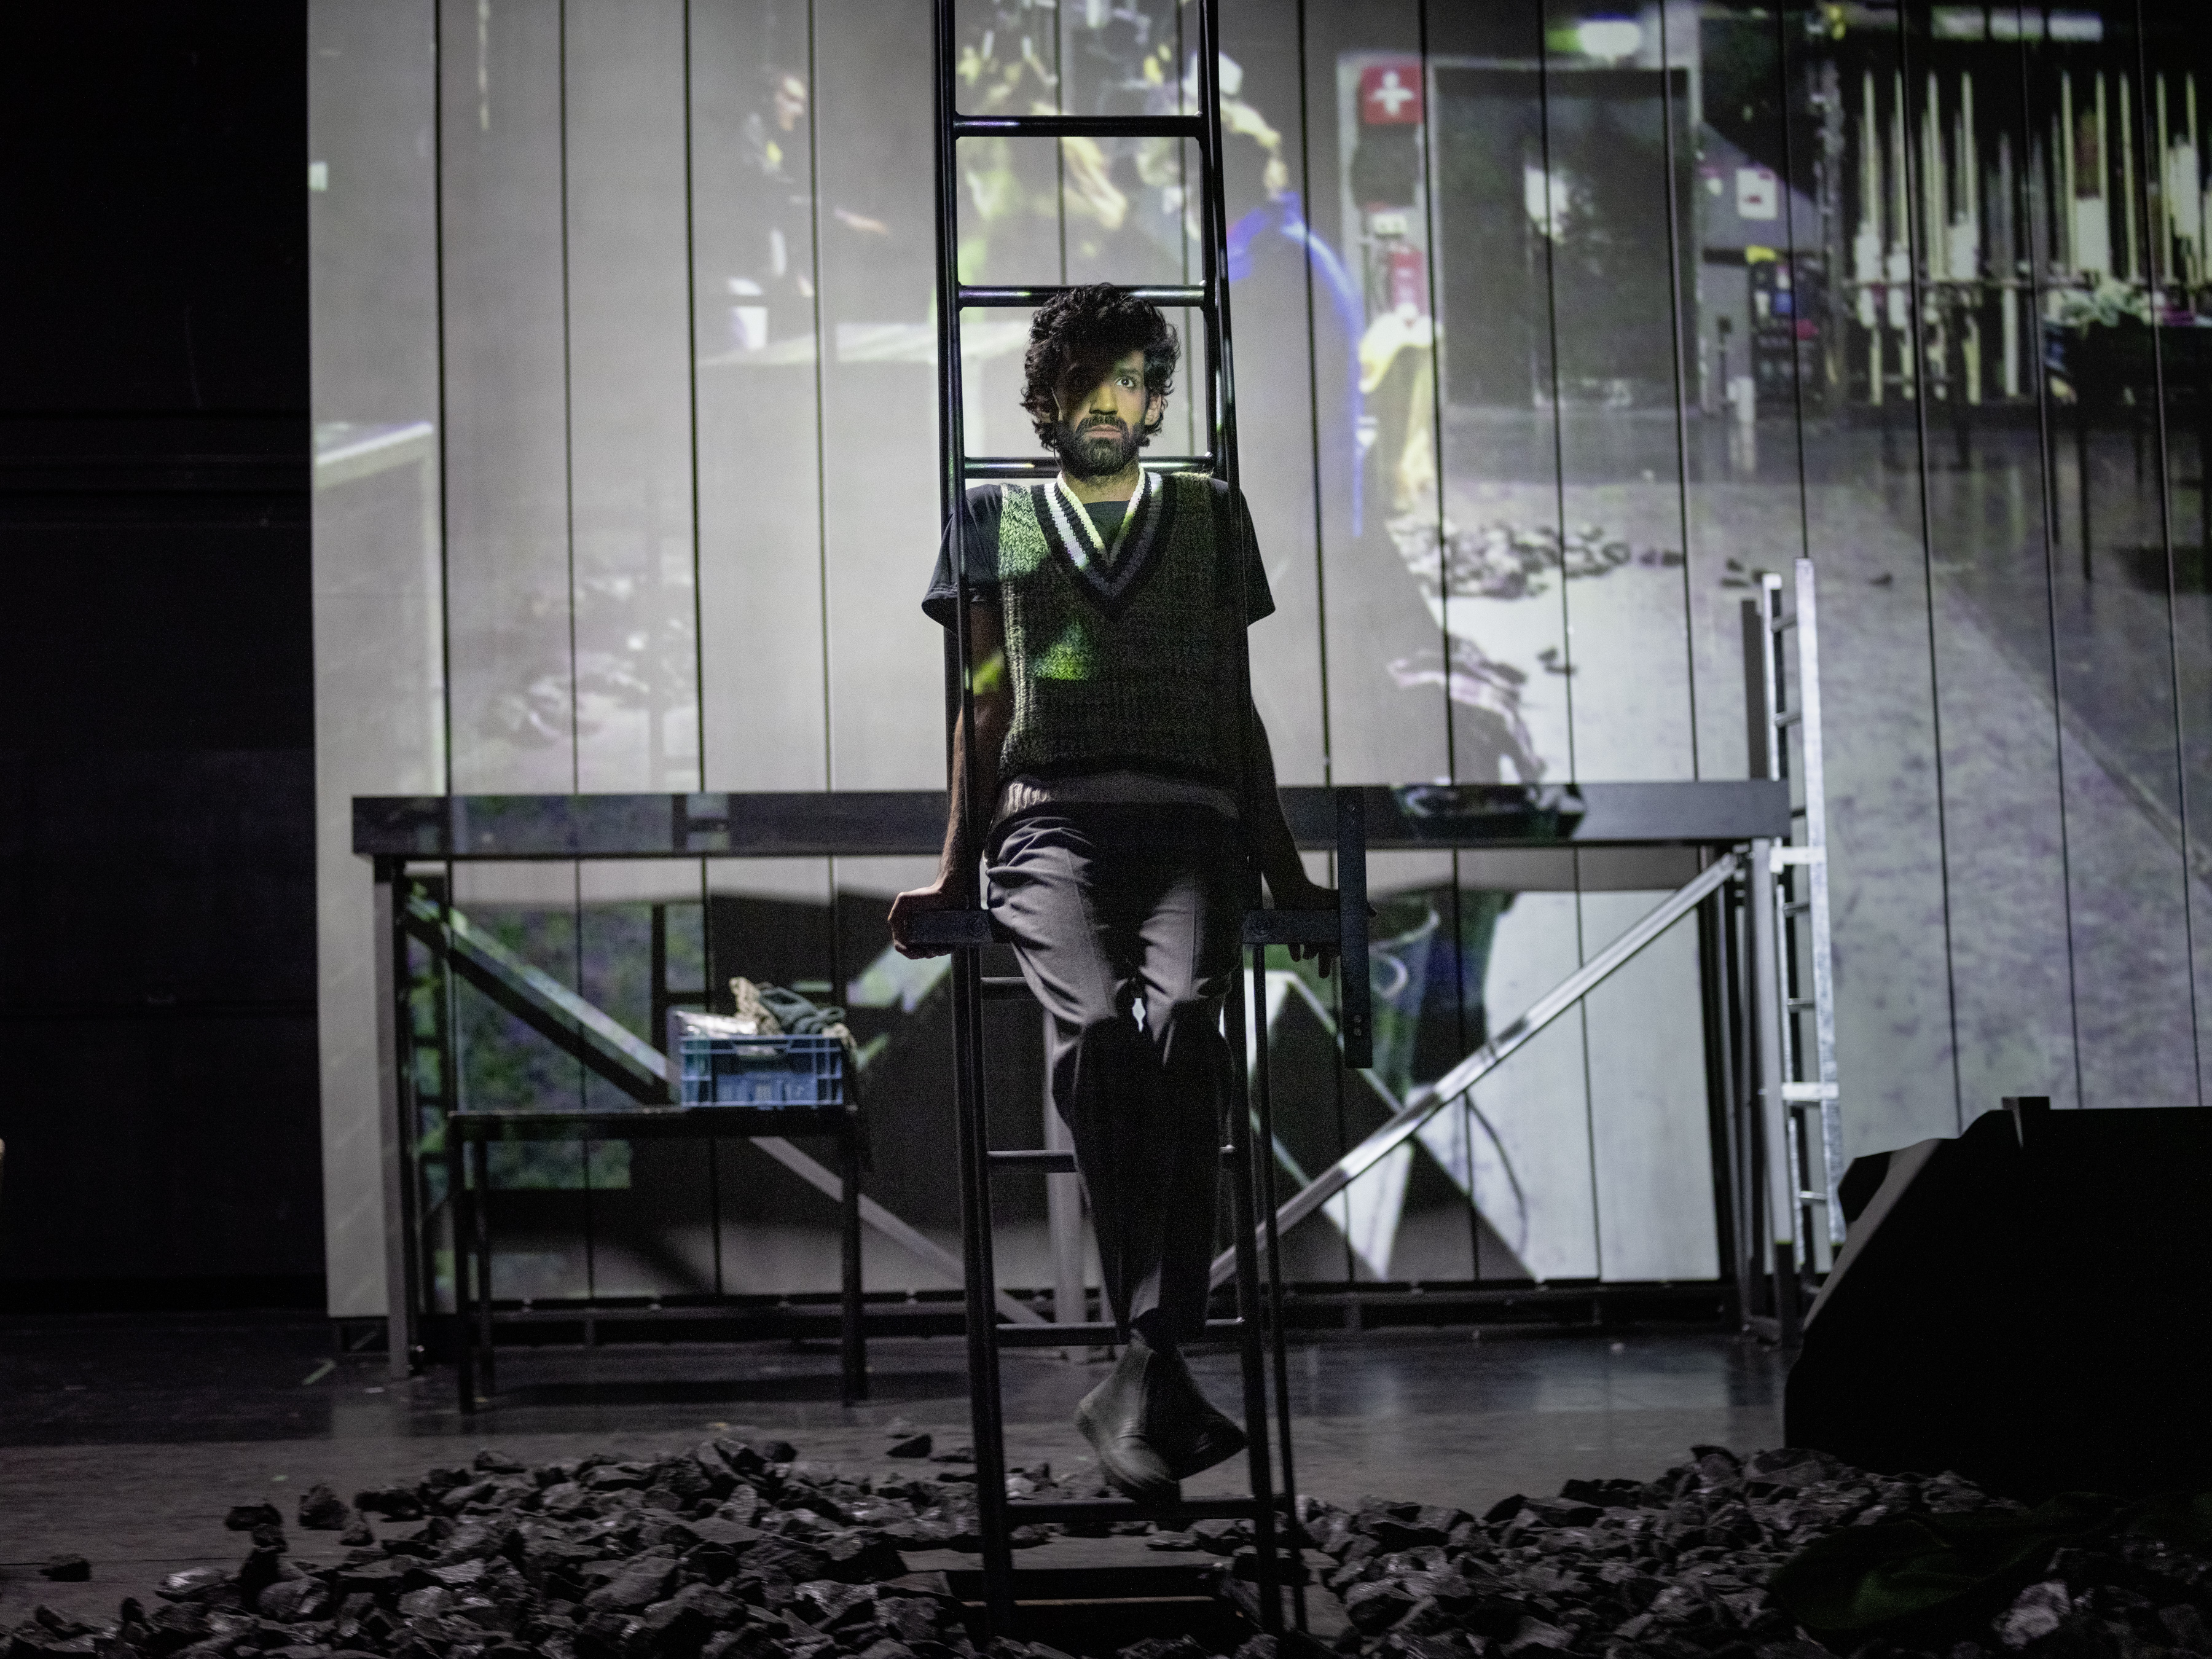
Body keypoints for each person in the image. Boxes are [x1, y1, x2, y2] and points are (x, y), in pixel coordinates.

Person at [887, 283, 1338, 1501]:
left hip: (1195, 823)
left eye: (1132, 379)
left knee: (1187, 1020)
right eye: (1086, 378)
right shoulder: (993, 519)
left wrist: (1286, 865)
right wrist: (954, 866)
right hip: (1052, 825)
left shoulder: (1209, 515)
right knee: (1095, 1029)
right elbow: (985, 702)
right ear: (1044, 398)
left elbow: (1234, 703)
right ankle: (1156, 1363)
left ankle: (1143, 1359)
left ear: (1155, 400)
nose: (1109, 401)